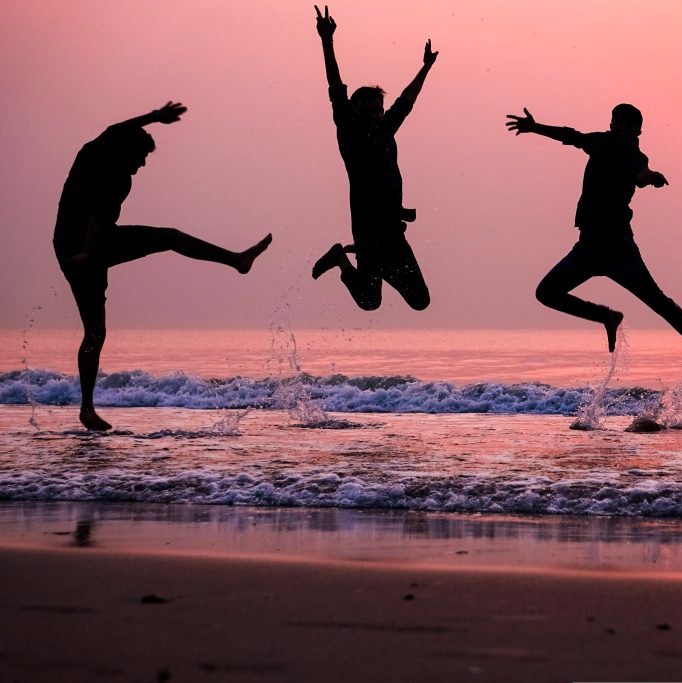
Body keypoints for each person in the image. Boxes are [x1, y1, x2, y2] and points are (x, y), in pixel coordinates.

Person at [53, 102, 272, 431]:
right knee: (168, 237)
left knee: (96, 331)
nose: (141, 165)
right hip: (77, 248)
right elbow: (99, 213)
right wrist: (86, 256)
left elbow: (102, 220)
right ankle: (237, 260)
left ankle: (86, 409)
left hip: (87, 248)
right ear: (126, 151)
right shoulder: (101, 162)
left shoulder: (112, 169)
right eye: (139, 157)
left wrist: (155, 117)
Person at [505, 104, 682, 374]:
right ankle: (606, 316)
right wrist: (535, 127)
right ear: (611, 125)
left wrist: (653, 178)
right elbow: (569, 136)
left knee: (659, 302)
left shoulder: (635, 156)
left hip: (619, 249)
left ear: (638, 132)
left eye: (627, 127)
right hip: (587, 248)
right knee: (546, 293)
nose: (621, 131)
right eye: (617, 125)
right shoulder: (599, 142)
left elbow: (641, 175)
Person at [310, 5, 435, 312]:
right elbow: (336, 88)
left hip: (393, 233)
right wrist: (327, 41)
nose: (374, 114)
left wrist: (425, 68)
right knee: (369, 302)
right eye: (366, 109)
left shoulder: (385, 130)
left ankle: (373, 264)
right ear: (355, 111)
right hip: (366, 231)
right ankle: (342, 259)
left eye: (377, 109)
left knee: (420, 301)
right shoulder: (350, 135)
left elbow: (406, 101)